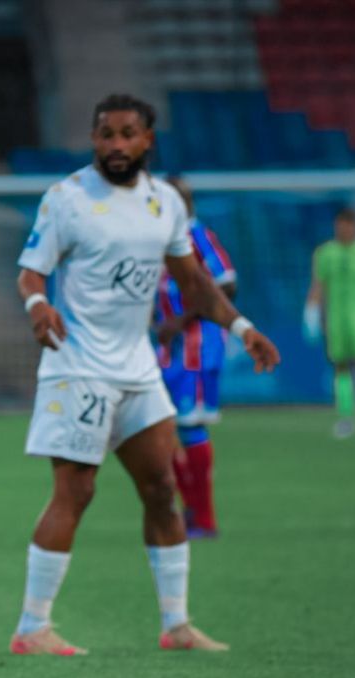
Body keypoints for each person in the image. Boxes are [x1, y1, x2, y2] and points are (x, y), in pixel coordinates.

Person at [10, 94, 280, 658]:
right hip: (78, 366)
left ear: (147, 140)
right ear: (93, 139)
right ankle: (33, 628)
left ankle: (177, 625)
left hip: (137, 368)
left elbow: (196, 283)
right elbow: (31, 273)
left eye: (127, 134)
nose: (115, 145)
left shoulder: (165, 204)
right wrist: (39, 308)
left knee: (163, 487)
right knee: (77, 491)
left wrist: (242, 327)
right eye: (105, 134)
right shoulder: (67, 199)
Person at [151, 176, 238, 538]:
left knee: (187, 426)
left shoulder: (196, 234)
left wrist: (181, 319)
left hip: (195, 346)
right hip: (167, 348)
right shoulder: (159, 236)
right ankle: (188, 511)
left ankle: (204, 517)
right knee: (160, 428)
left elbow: (228, 282)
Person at [305, 206, 355, 439]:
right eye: (341, 225)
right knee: (340, 366)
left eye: (349, 225)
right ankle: (345, 417)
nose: (345, 229)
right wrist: (311, 311)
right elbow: (318, 285)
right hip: (336, 320)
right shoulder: (325, 253)